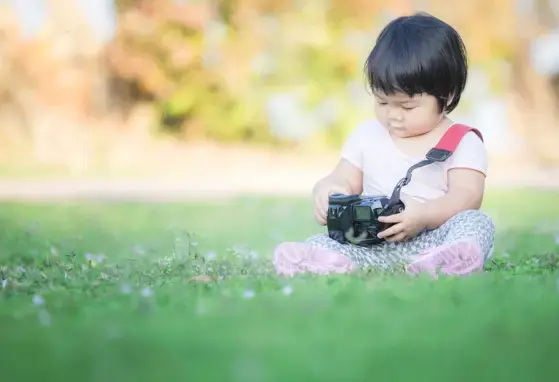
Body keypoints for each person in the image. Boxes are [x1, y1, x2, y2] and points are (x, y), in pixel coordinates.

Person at [273, 12, 495, 278]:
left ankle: (446, 262)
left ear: (445, 96)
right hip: (373, 243)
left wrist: (424, 214)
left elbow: (468, 196)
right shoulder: (368, 135)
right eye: (382, 102)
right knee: (325, 243)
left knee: (476, 222)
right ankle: (327, 261)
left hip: (434, 240)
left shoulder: (462, 141)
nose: (393, 114)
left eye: (407, 106)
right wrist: (328, 190)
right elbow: (342, 178)